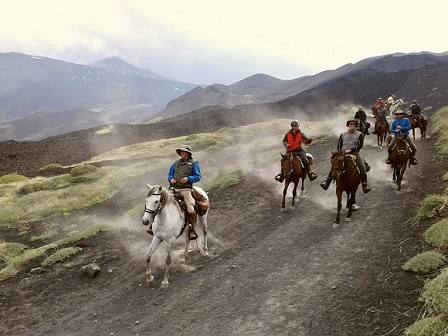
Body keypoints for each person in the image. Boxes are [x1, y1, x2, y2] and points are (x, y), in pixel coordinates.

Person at [320, 119, 371, 193]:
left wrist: (351, 150)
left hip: (355, 153)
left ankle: (365, 185)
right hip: (343, 153)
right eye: (351, 124)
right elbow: (339, 145)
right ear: (348, 125)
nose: (352, 126)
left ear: (356, 126)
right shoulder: (343, 135)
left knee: (362, 167)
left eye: (354, 125)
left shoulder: (360, 134)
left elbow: (360, 145)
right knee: (335, 166)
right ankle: (327, 182)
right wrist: (339, 153)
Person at [167, 144, 202, 240]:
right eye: (181, 151)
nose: (182, 153)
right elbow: (170, 174)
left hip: (185, 190)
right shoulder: (176, 163)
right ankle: (154, 226)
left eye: (184, 151)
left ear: (188, 153)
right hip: (174, 189)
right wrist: (171, 179)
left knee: (190, 207)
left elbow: (198, 176)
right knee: (160, 201)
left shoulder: (194, 163)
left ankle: (191, 229)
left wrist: (188, 179)